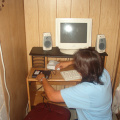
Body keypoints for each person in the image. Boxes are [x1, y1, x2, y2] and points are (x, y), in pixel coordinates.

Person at [36, 48, 112, 120]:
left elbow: (52, 96)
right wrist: (69, 63)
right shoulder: (103, 72)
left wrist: (43, 79)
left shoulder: (86, 90)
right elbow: (89, 62)